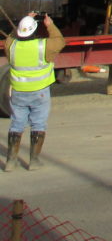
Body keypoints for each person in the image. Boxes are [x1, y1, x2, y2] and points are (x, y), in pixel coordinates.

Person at [4, 12, 65, 172]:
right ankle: (34, 160)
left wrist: (24, 19)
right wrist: (49, 24)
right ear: (35, 29)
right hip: (40, 93)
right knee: (38, 124)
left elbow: (11, 37)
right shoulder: (43, 46)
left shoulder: (11, 46)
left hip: (18, 92)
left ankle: (11, 161)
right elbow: (60, 41)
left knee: (17, 123)